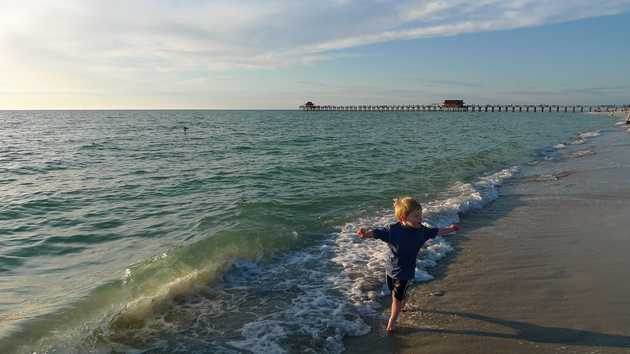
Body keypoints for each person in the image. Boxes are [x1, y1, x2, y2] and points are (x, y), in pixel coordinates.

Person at [357, 196, 460, 335]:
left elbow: (437, 231)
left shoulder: (422, 231)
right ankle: (403, 301)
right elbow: (376, 232)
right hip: (390, 268)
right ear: (403, 218)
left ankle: (391, 322)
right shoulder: (392, 230)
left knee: (396, 298)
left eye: (421, 214)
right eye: (416, 216)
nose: (420, 218)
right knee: (394, 291)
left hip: (406, 272)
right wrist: (365, 234)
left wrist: (451, 228)